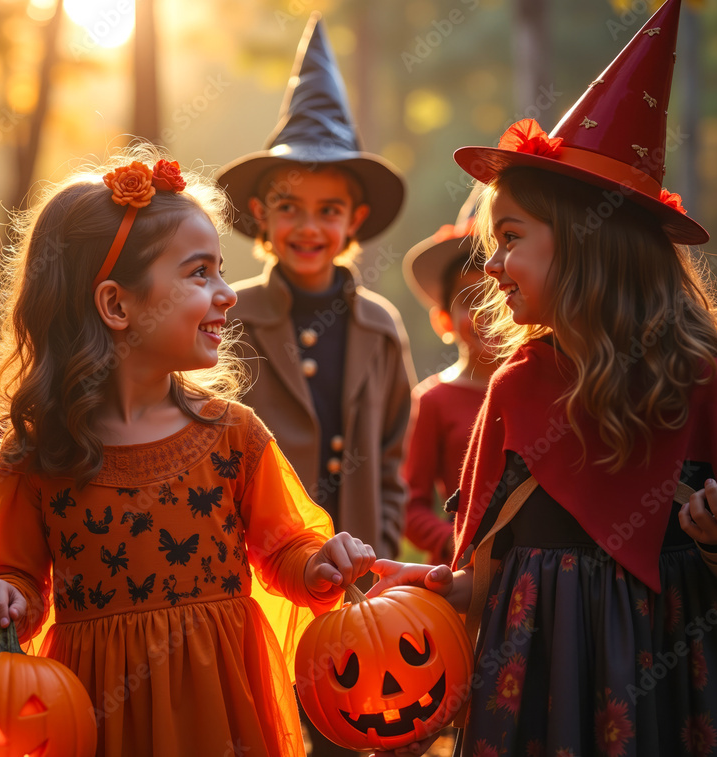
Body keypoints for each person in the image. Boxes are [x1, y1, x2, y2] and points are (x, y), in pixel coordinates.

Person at [368, 2, 717, 755]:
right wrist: (427, 586)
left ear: (592, 247)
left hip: (671, 689)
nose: (490, 264)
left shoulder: (709, 388)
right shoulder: (515, 386)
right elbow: (481, 577)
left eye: (510, 238)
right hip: (531, 684)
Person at [0, 146, 377, 757]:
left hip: (223, 707)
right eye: (198, 273)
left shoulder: (233, 435)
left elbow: (284, 546)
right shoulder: (39, 459)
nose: (226, 292)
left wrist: (317, 562)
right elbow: (17, 575)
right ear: (117, 305)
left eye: (219, 270)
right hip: (100, 711)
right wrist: (7, 596)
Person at [216, 17, 414, 754]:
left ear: (354, 220)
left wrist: (383, 541)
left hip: (356, 573)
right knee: (269, 717)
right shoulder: (228, 316)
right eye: (290, 207)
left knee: (349, 716)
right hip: (259, 569)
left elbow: (394, 449)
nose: (309, 226)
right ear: (261, 217)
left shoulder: (380, 327)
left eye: (328, 210)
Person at [401, 191, 501, 565]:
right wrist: (453, 540)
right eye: (469, 299)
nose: (486, 312)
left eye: (495, 295)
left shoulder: (543, 388)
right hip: (458, 572)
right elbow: (411, 506)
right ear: (443, 320)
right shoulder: (433, 400)